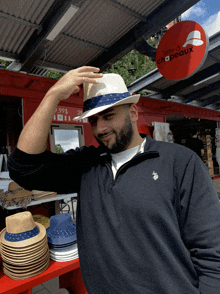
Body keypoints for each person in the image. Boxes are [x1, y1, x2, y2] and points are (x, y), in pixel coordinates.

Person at [7, 66, 220, 294]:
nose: (101, 128)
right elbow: (23, 168)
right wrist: (53, 95)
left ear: (133, 113)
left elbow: (212, 252)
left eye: (109, 115)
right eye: (94, 120)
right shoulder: (87, 165)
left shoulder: (179, 162)